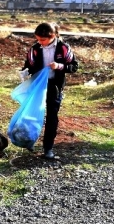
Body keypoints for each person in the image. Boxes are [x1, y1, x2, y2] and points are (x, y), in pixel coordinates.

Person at [20, 22, 78, 160]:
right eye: (38, 39)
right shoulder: (35, 49)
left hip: (55, 86)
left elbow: (74, 66)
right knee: (33, 113)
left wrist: (59, 66)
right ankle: (30, 140)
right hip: (37, 86)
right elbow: (29, 65)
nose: (40, 42)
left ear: (53, 36)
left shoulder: (63, 48)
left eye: (43, 40)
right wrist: (25, 72)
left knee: (52, 116)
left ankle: (48, 148)